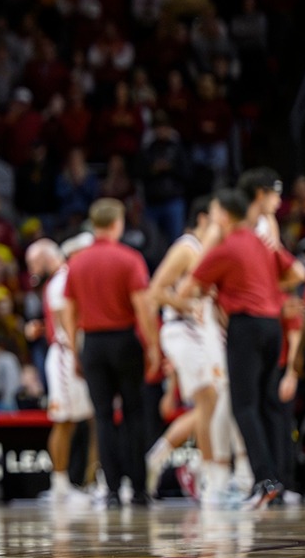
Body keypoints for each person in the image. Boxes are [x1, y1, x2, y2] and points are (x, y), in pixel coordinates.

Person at [180, 187, 305, 507]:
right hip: (271, 325)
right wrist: (267, 290)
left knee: (243, 406)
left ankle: (264, 480)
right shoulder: (263, 243)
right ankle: (274, 479)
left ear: (222, 215)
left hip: (245, 328)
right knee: (266, 405)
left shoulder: (223, 248)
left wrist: (214, 288)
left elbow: (186, 289)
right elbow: (298, 272)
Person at [62, 199, 161, 505]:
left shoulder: (77, 263)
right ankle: (140, 488)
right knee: (133, 413)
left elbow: (68, 310)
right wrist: (153, 345)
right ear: (117, 223)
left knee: (103, 418)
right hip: (124, 341)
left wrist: (74, 349)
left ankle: (113, 489)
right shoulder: (130, 259)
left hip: (92, 343)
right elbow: (143, 308)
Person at [146, 195, 238, 499]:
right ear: (202, 219)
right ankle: (212, 479)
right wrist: (187, 303)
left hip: (204, 332)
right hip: (182, 330)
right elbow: (156, 291)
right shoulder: (187, 248)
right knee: (209, 400)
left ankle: (189, 466)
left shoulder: (213, 253)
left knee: (217, 402)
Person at [26, 237, 95, 502]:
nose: (31, 269)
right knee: (70, 420)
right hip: (68, 352)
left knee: (78, 420)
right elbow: (65, 321)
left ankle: (79, 483)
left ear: (45, 258)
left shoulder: (61, 280)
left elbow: (67, 321)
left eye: (33, 262)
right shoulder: (60, 280)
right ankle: (67, 484)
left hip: (68, 353)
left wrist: (77, 355)